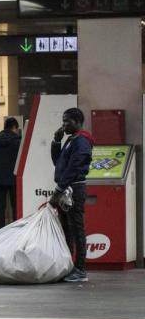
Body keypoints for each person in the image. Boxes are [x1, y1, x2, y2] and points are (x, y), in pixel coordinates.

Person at [50, 107, 93, 283]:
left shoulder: (82, 141)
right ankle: (69, 266)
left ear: (77, 121)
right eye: (63, 121)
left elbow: (74, 167)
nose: (64, 124)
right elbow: (59, 162)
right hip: (67, 188)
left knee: (77, 229)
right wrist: (56, 142)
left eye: (67, 121)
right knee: (67, 229)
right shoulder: (70, 140)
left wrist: (59, 190)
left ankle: (80, 269)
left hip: (74, 189)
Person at [0, 117, 21, 229]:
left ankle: (1, 229)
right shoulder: (17, 141)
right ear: (14, 127)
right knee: (15, 205)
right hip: (14, 177)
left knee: (1, 206)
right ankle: (15, 228)